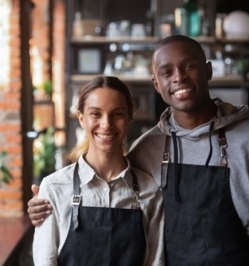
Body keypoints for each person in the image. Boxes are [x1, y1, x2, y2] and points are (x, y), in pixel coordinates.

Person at [28, 35, 249, 264]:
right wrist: (46, 204)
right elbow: (110, 189)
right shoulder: (148, 148)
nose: (178, 77)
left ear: (208, 70)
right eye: (167, 72)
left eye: (189, 66)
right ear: (157, 84)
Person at [31, 76, 164, 266]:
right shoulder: (54, 187)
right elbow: (45, 261)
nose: (106, 124)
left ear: (129, 118)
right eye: (96, 114)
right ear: (81, 118)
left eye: (117, 114)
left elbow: (155, 262)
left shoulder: (149, 189)